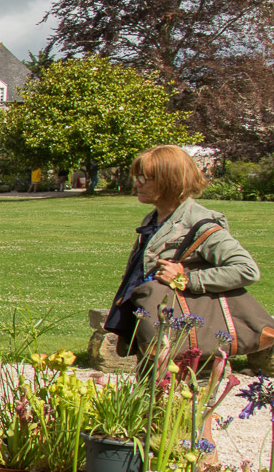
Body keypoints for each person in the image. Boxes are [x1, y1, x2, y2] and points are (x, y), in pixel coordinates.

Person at [102, 145, 268, 366]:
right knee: (150, 394)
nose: (136, 184)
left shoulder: (200, 224)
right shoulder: (153, 220)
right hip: (157, 328)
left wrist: (186, 280)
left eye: (144, 178)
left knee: (186, 397)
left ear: (169, 180)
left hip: (190, 341)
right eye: (137, 177)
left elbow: (246, 270)